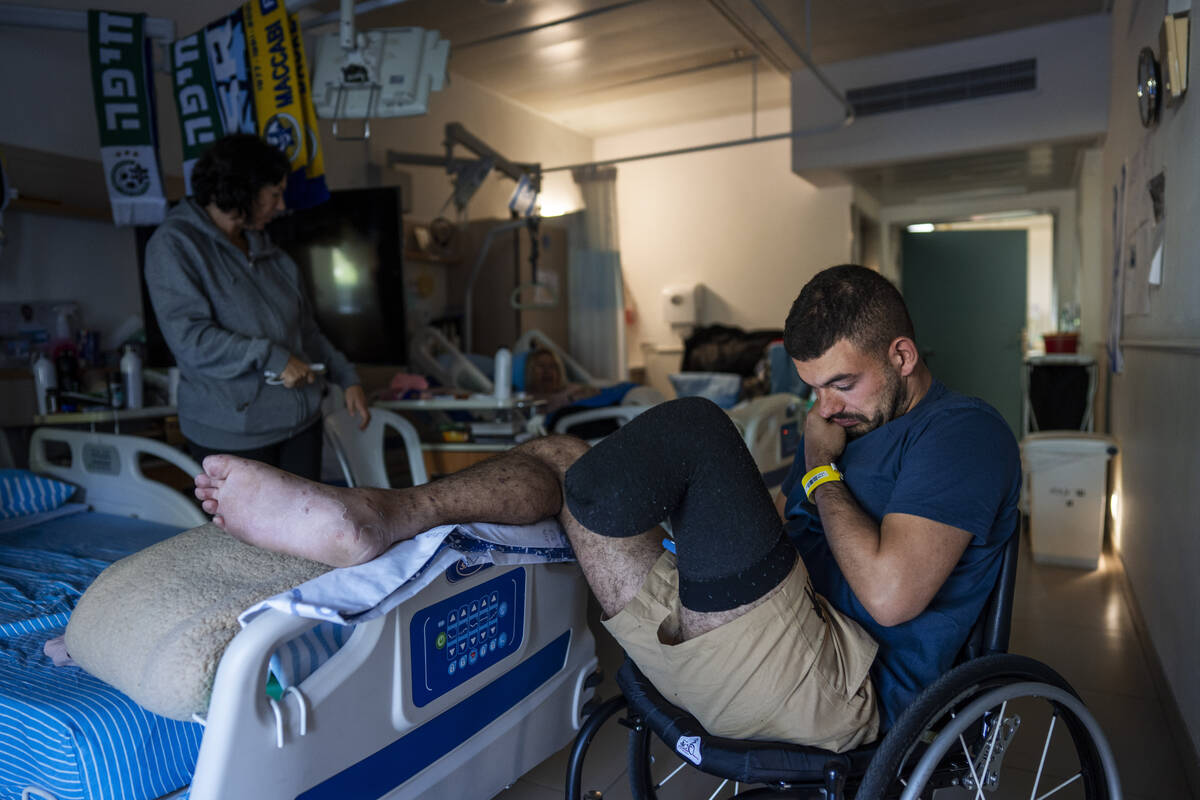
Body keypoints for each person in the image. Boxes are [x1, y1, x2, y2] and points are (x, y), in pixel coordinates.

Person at [191, 264, 1019, 750]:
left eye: (843, 384)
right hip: (741, 635)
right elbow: (799, 533)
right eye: (813, 391)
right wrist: (745, 508)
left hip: (838, 686)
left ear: (902, 356)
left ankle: (394, 513)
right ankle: (381, 514)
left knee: (697, 428)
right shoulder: (850, 424)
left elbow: (889, 594)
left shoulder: (963, 436)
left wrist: (816, 477)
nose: (827, 409)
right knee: (561, 459)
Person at [145, 134, 370, 481]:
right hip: (233, 434)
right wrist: (274, 358)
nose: (281, 206)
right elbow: (191, 339)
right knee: (247, 538)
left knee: (302, 531)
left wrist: (347, 376)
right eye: (275, 193)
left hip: (301, 424)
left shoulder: (271, 254)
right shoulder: (175, 246)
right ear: (243, 189)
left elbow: (305, 331)